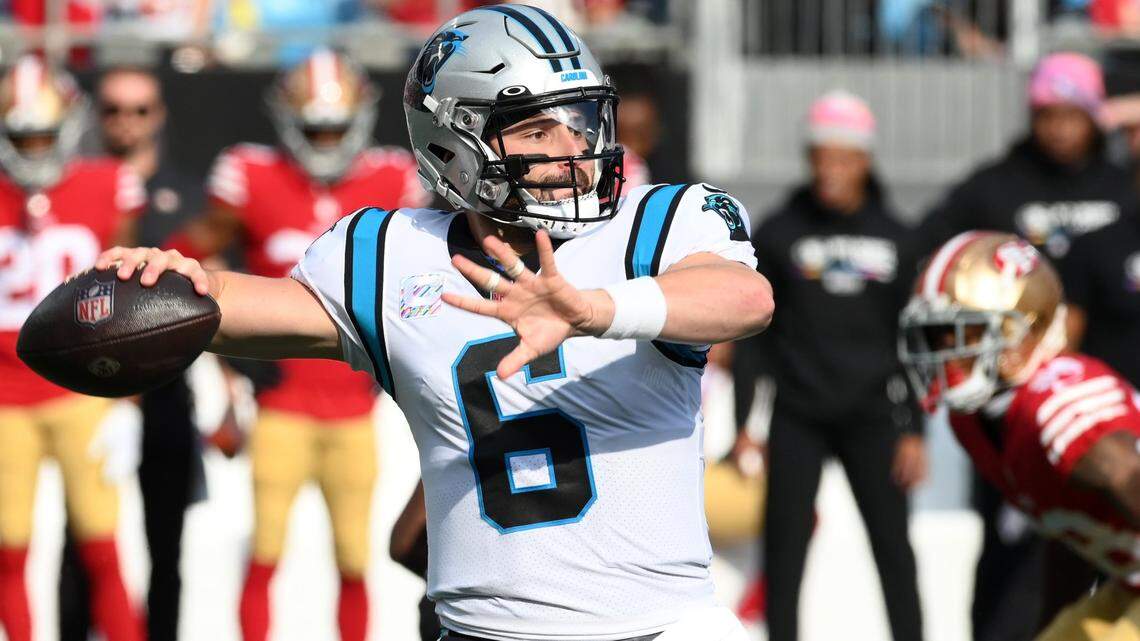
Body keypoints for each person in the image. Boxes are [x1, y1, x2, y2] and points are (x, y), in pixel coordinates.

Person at [95, 5, 774, 640]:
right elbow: (243, 306)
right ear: (456, 144)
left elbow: (746, 298)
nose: (573, 146)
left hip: (658, 626)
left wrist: (598, 309)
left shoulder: (657, 223)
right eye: (538, 127)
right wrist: (171, 281)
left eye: (581, 119)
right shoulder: (393, 256)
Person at [165, 48, 426, 641]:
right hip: (280, 405)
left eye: (335, 126)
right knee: (265, 549)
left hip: (354, 407)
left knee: (355, 558)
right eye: (314, 127)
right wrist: (230, 368)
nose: (326, 138)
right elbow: (195, 253)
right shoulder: (252, 175)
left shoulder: (390, 178)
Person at [731, 90, 925, 641]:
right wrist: (746, 425)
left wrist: (916, 430)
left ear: (865, 160)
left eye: (844, 158)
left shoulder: (896, 236)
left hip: (873, 415)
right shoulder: (780, 233)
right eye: (821, 156)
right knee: (784, 551)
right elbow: (753, 338)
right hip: (799, 414)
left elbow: (912, 339)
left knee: (894, 549)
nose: (831, 171)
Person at [899, 231, 1140, 641]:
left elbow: (1128, 479)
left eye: (963, 333)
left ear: (1021, 327)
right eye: (937, 335)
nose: (945, 351)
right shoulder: (975, 422)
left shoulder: (1057, 402)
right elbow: (1070, 530)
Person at [58, 65, 209, 641]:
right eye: (114, 110)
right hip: (92, 390)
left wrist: (234, 391)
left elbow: (215, 295)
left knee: (164, 541)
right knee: (83, 541)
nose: (126, 123)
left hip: (166, 386)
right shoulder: (74, 187)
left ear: (160, 115)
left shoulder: (189, 194)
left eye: (139, 109)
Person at [0, 55, 145, 641]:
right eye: (20, 136)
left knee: (103, 548)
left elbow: (129, 297)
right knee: (9, 552)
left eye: (42, 133)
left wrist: (127, 400)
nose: (33, 149)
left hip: (81, 391)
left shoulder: (109, 182)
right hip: (5, 399)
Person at [918, 52, 1135, 262]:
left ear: (1093, 119)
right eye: (1047, 115)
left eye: (1072, 116)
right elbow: (927, 244)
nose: (1059, 129)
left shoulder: (1126, 188)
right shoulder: (993, 187)